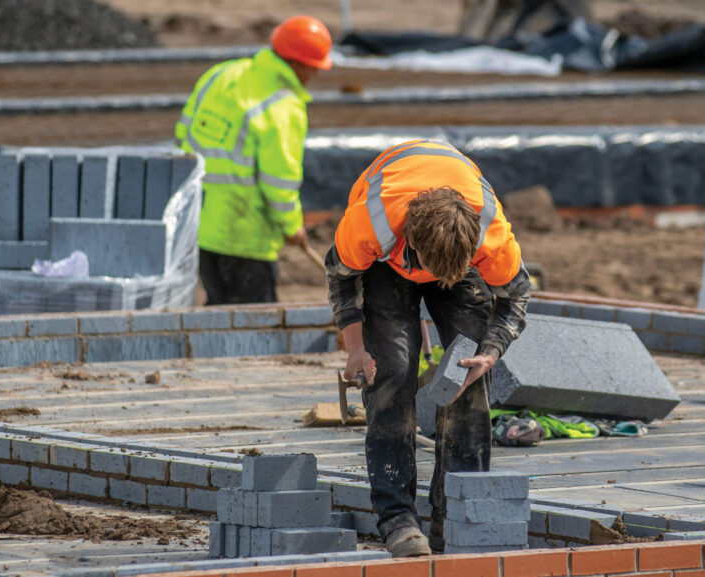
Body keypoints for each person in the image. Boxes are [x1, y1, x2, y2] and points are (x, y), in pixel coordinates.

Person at [325, 140, 531, 557]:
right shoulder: (372, 225)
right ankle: (398, 519)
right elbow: (340, 277)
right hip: (387, 266)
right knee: (392, 371)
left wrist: (490, 353)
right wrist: (355, 348)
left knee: (468, 372)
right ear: (413, 242)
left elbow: (515, 300)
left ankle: (457, 515)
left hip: (456, 260)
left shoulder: (490, 235)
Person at [176, 15, 332, 305]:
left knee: (219, 308)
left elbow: (184, 133)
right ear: (300, 65)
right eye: (314, 69)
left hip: (199, 225)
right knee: (253, 320)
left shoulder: (221, 74)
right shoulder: (283, 105)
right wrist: (290, 224)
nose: (314, 76)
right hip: (244, 234)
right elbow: (279, 180)